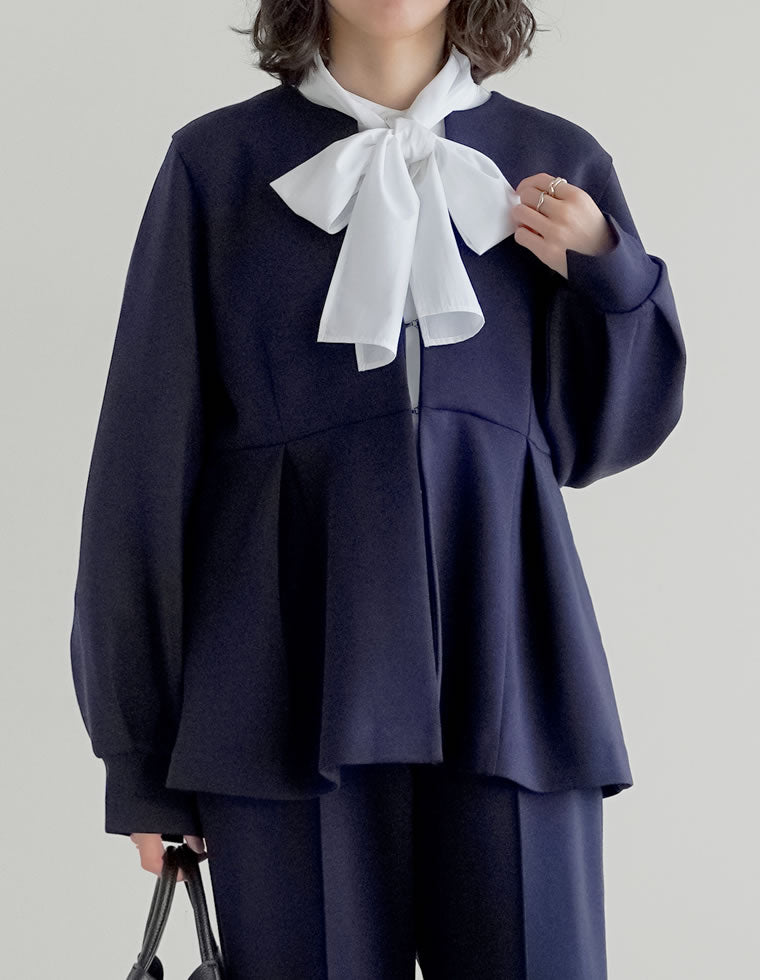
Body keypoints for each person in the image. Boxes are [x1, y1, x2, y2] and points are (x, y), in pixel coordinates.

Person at [69, 1, 686, 976]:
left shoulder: (554, 163)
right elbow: (140, 478)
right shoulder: (216, 166)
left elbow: (600, 438)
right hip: (280, 700)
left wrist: (611, 274)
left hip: (512, 680)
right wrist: (139, 759)